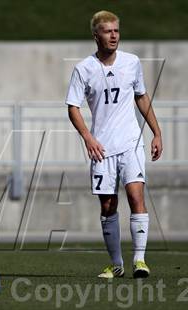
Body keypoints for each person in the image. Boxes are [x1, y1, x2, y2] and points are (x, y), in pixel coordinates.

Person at [66, 10, 163, 278]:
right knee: (108, 206)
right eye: (108, 31)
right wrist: (87, 136)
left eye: (116, 31)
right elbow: (72, 106)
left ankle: (140, 261)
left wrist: (156, 132)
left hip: (131, 142)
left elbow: (141, 97)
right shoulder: (83, 68)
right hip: (102, 149)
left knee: (135, 196)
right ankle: (117, 264)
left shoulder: (131, 63)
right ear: (96, 35)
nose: (113, 36)